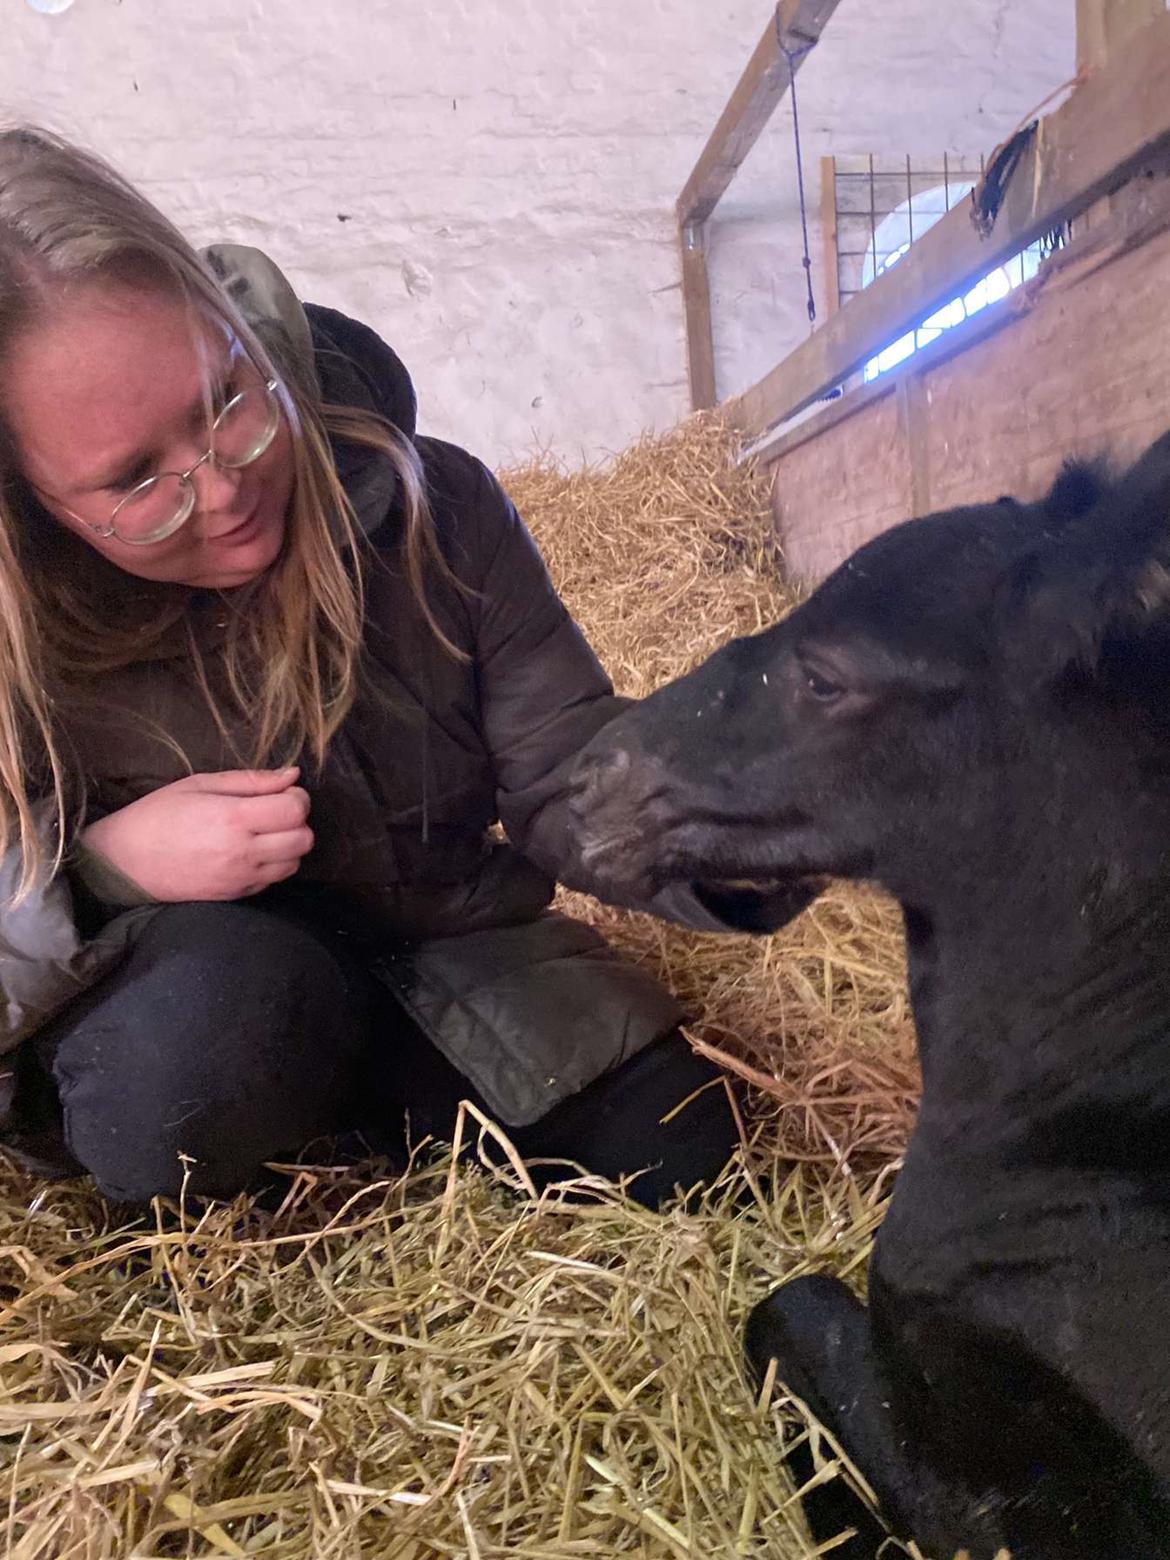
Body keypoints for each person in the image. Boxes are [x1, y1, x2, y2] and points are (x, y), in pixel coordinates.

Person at [0, 127, 741, 1209]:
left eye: (224, 403)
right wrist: (103, 871)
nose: (220, 491)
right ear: (31, 500)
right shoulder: (21, 632)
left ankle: (368, 1127)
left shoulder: (427, 506)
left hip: (440, 960)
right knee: (189, 1076)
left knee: (682, 1146)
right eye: (133, 481)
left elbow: (565, 770)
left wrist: (744, 828)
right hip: (194, 1003)